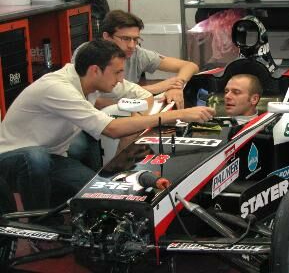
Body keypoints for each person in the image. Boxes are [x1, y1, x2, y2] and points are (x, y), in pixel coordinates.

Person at [0, 39, 214, 211]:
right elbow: (111, 129)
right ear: (95, 70)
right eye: (118, 72)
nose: (121, 79)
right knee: (35, 157)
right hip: (11, 159)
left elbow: (142, 94)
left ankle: (59, 215)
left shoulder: (92, 80)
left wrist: (169, 92)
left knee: (96, 192)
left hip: (53, 157)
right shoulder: (57, 87)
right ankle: (39, 228)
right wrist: (179, 115)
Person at [72, 9, 199, 110]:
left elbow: (190, 66)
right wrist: (154, 89)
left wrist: (176, 86)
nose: (132, 45)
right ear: (107, 37)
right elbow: (91, 102)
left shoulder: (137, 53)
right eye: (125, 39)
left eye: (136, 39)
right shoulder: (88, 53)